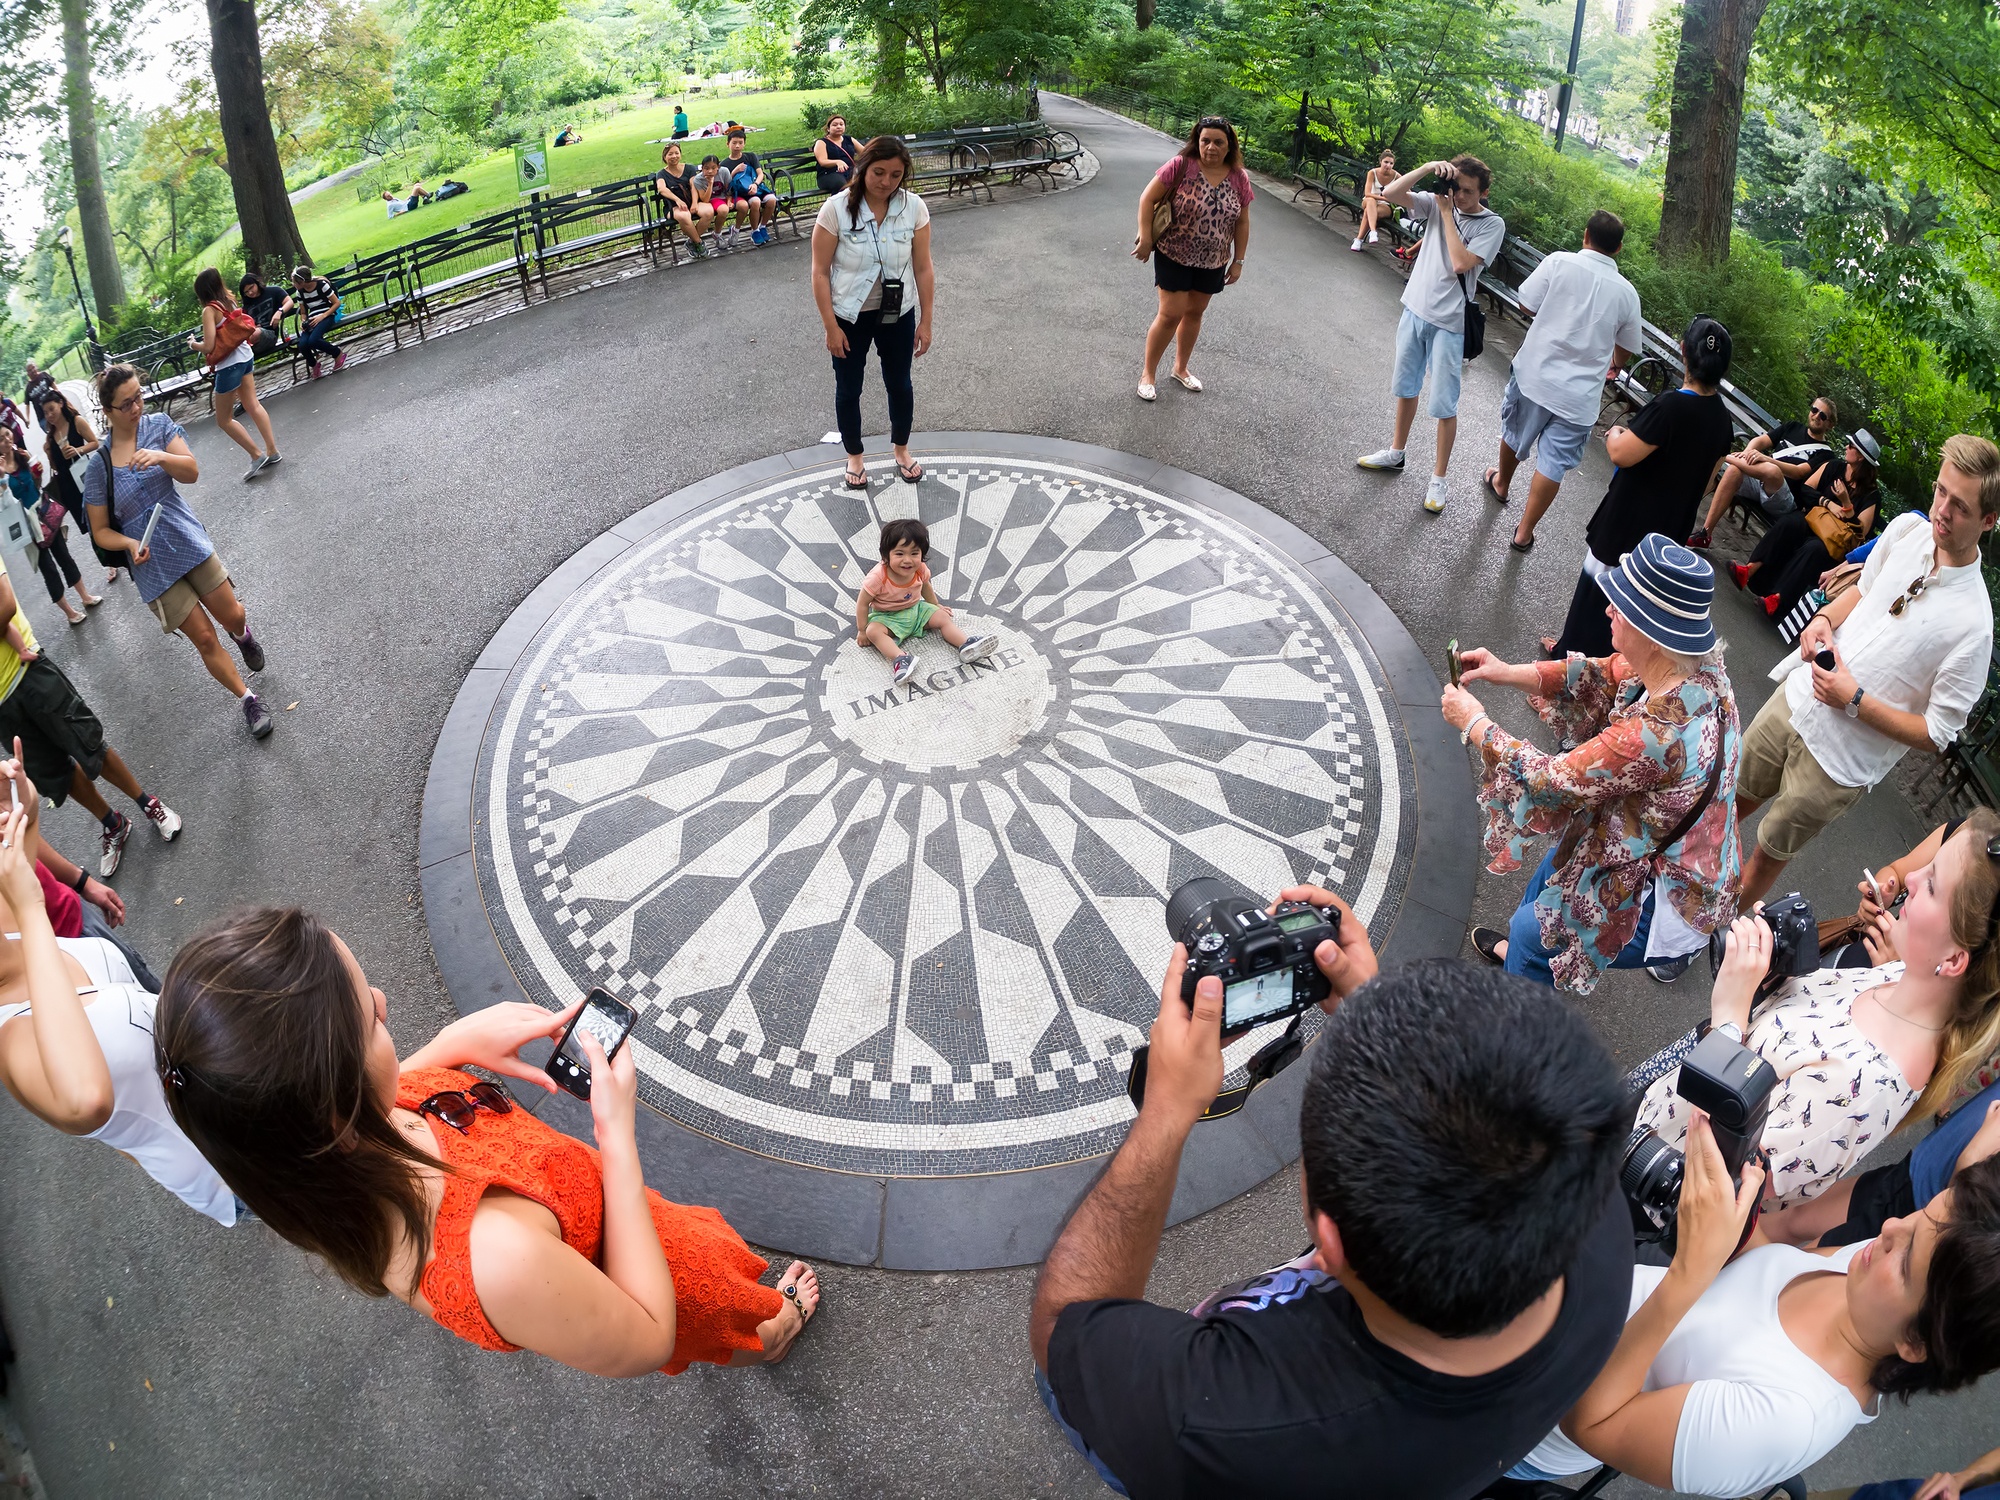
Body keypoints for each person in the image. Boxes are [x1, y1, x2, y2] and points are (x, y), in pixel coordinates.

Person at [1031, 920, 1636, 1500]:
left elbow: (1065, 1322)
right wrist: (1379, 1019)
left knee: (1070, 1383)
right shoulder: (1593, 1213)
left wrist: (1165, 1112)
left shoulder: (1219, 1424)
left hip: (1163, 1441)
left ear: (1330, 1244)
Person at [155, 907, 823, 1374]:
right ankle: (774, 1334)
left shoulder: (328, 1150)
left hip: (619, 1225)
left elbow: (388, 1102)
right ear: (335, 1117)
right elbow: (649, 1336)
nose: (386, 1001)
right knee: (734, 1317)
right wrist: (617, 1137)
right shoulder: (497, 1260)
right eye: (370, 1020)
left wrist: (452, 1046)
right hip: (654, 1279)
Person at [1511, 1127, 2000, 1497]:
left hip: (1519, 1410)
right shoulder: (1875, 1281)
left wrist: (1688, 1274)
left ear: (1916, 1343)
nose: (1890, 1226)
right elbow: (1764, 1268)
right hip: (1562, 1297)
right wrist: (1744, 1206)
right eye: (1921, 1215)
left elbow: (1590, 1424)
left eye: (1908, 1255)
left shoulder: (1784, 1421)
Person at [1630, 812, 2000, 1211]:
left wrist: (1729, 1019)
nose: (1910, 880)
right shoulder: (1896, 973)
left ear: (1954, 959)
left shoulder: (1866, 1088)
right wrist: (1767, 965)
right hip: (1654, 1114)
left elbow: (1719, 1191)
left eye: (1930, 884)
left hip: (1645, 1185)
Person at [1449, 535, 1740, 991]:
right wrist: (1505, 671)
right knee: (1550, 874)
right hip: (1643, 847)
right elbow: (1599, 674)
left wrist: (1474, 723)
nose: (1607, 609)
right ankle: (1527, 965)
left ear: (1653, 634)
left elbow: (1549, 781)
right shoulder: (1697, 670)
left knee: (1531, 931)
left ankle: (1512, 1024)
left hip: (1669, 895)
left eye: (1620, 606)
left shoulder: (1657, 734)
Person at [1735, 436, 2000, 908]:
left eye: (1960, 506)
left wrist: (1853, 700)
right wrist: (1822, 619)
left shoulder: (1974, 627)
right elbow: (1863, 589)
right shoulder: (1906, 532)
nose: (1941, 510)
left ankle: (1691, 938)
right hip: (1795, 700)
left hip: (1839, 762)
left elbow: (1938, 732)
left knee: (1764, 858)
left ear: (1989, 520)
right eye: (1940, 492)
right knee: (1724, 808)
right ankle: (1671, 899)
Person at [0, 754, 234, 1224]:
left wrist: (25, 808)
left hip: (240, 1089)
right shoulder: (12, 1043)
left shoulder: (15, 936)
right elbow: (88, 1101)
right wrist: (31, 912)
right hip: (233, 1167)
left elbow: (20, 861)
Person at [84, 365, 274, 742]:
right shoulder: (98, 467)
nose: (136, 406)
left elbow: (191, 472)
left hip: (186, 540)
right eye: (126, 404)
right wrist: (128, 544)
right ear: (107, 412)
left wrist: (159, 457)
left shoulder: (158, 426)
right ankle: (248, 698)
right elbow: (101, 531)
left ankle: (243, 635)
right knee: (204, 638)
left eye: (139, 396)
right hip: (151, 567)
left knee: (231, 614)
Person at [1543, 317, 1736, 659]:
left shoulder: (1671, 406)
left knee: (1598, 592)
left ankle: (1567, 670)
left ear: (1683, 352)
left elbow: (1622, 453)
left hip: (1628, 519)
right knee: (1634, 607)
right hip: (1668, 531)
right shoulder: (1723, 421)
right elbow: (1708, 482)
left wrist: (1615, 434)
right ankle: (1600, 674)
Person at [0, 547, 179, 876]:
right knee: (56, 775)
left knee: (89, 743)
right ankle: (113, 824)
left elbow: (5, 606)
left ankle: (147, 803)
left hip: (28, 674)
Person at [1483, 211, 1643, 553]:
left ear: (1585, 236)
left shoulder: (1559, 262)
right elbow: (1627, 347)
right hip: (1579, 397)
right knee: (1553, 463)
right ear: (1618, 249)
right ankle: (1524, 533)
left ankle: (1501, 483)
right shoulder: (1627, 293)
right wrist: (1613, 363)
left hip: (1535, 376)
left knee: (1514, 432)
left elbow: (1526, 304)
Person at [1355, 156, 1506, 512]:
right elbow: (1388, 193)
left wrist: (1447, 214)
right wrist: (1427, 169)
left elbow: (1460, 262)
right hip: (1415, 308)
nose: (1460, 196)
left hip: (1451, 324)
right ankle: (1396, 452)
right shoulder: (1439, 200)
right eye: (1456, 188)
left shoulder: (1490, 224)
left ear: (1484, 193)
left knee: (1443, 404)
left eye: (1469, 191)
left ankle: (1439, 479)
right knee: (1405, 386)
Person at [811, 135, 935, 490]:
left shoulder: (914, 208)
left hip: (898, 312)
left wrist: (925, 321)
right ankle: (854, 456)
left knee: (900, 384)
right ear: (863, 168)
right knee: (849, 387)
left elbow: (924, 268)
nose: (886, 182)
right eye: (879, 172)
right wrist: (830, 326)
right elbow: (820, 272)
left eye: (896, 175)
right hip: (850, 315)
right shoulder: (834, 209)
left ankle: (901, 449)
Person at [1131, 116, 1253, 403]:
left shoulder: (1239, 177)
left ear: (1229, 145)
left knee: (1195, 314)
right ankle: (1147, 374)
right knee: (1170, 314)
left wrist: (1239, 260)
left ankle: (1180, 368)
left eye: (1218, 142)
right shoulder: (1180, 166)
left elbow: (1243, 222)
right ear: (1197, 142)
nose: (1211, 147)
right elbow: (1147, 199)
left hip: (1214, 259)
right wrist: (1146, 237)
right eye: (1205, 141)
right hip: (1174, 252)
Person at [1730, 432, 1882, 619]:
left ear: (1860, 456)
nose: (1846, 447)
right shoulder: (1834, 467)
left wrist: (1846, 503)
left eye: (1851, 446)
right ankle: (1749, 570)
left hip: (1833, 542)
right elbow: (1806, 488)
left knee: (1813, 549)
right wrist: (1828, 502)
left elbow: (1861, 532)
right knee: (1789, 524)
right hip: (1813, 520)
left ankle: (1777, 600)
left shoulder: (1871, 495)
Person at [1687, 394, 1839, 548]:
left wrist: (1767, 459)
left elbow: (1798, 472)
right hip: (1759, 482)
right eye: (1814, 409)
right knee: (1734, 470)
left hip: (1783, 499)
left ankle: (1723, 455)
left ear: (1830, 424)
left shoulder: (1826, 455)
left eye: (1823, 415)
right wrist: (1746, 453)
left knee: (1773, 471)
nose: (1816, 416)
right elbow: (1760, 441)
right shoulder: (1793, 427)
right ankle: (1705, 535)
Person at [857, 519, 995, 686]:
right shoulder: (878, 577)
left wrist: (935, 605)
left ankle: (965, 645)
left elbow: (925, 586)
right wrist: (862, 630)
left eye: (914, 553)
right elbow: (862, 603)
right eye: (899, 554)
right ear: (886, 555)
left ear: (922, 553)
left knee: (943, 617)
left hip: (916, 610)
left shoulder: (920, 569)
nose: (907, 560)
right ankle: (901, 658)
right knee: (873, 631)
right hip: (888, 618)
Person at [192, 268, 281, 481]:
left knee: (224, 419)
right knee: (253, 404)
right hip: (245, 356)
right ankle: (272, 451)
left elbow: (209, 345)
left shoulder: (209, 310)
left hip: (229, 365)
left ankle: (256, 455)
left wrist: (193, 344)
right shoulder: (229, 301)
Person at [3, 432, 100, 625]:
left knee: (64, 556)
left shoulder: (22, 455)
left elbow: (36, 484)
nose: (7, 439)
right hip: (25, 524)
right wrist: (2, 480)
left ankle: (85, 597)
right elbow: (4, 505)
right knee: (49, 568)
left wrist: (36, 473)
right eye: (1, 438)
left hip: (43, 514)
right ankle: (69, 613)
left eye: (7, 434)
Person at [653, 142, 714, 256]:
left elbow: (693, 186)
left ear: (680, 154)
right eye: (670, 154)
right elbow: (661, 189)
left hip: (692, 201)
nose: (674, 156)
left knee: (709, 212)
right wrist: (677, 200)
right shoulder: (661, 174)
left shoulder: (689, 168)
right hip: (674, 207)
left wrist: (695, 203)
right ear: (665, 157)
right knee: (684, 216)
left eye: (677, 153)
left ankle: (691, 242)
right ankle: (699, 243)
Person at [288, 264, 346, 377]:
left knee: (313, 340)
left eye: (294, 282)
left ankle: (337, 353)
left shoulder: (321, 285)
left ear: (302, 281)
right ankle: (314, 365)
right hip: (312, 318)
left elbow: (336, 303)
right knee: (303, 344)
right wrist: (303, 321)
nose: (293, 284)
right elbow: (303, 312)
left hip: (327, 315)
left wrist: (323, 316)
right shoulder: (300, 292)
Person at [723, 130, 779, 247]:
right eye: (734, 143)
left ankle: (762, 226)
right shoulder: (725, 164)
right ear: (727, 144)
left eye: (740, 142)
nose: (737, 146)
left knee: (772, 200)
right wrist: (735, 171)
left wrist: (755, 184)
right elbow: (726, 186)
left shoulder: (750, 157)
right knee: (756, 202)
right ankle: (755, 231)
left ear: (744, 144)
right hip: (740, 193)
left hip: (757, 188)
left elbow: (760, 174)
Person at [236, 273, 292, 358]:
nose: (250, 292)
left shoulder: (273, 291)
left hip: (270, 335)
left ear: (257, 283)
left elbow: (289, 302)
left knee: (255, 333)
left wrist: (279, 312)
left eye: (251, 287)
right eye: (246, 292)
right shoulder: (247, 306)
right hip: (252, 340)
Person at [1352, 149, 1396, 251]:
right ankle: (1372, 231)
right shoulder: (1372, 172)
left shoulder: (1396, 175)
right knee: (1371, 201)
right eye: (1386, 162)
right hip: (1368, 200)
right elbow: (1367, 193)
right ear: (1380, 161)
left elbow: (1408, 190)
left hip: (1385, 206)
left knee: (1368, 211)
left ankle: (1359, 240)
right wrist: (1384, 197)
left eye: (1391, 163)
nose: (1388, 165)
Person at [813, 114, 856, 194]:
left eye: (841, 124)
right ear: (828, 129)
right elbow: (822, 161)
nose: (838, 127)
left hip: (849, 173)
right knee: (842, 185)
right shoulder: (821, 142)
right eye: (835, 125)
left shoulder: (849, 139)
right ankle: (838, 205)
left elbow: (866, 152)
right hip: (828, 174)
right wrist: (837, 162)